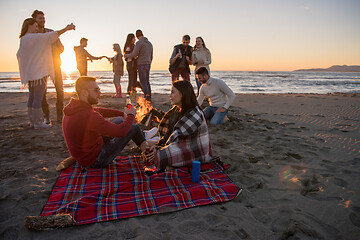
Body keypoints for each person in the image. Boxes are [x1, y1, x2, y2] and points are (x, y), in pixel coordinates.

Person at [62, 76, 157, 168]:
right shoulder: (89, 116)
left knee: (119, 120)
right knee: (134, 128)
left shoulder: (75, 109)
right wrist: (131, 115)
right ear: (84, 93)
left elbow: (98, 110)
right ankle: (148, 155)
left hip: (85, 154)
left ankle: (143, 138)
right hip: (97, 159)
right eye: (96, 90)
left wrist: (120, 113)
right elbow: (121, 132)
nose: (100, 93)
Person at [16, 18, 75, 129]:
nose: (37, 28)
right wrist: (67, 28)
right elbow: (51, 36)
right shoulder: (33, 37)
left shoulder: (23, 39)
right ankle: (38, 123)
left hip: (31, 74)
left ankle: (33, 122)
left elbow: (19, 54)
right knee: (37, 98)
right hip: (39, 73)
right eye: (35, 26)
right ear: (29, 25)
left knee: (32, 97)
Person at [144, 80, 212, 172]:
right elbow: (169, 133)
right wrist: (157, 146)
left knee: (160, 155)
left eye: (173, 92)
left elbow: (176, 136)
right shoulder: (176, 110)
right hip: (181, 144)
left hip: (195, 149)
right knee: (152, 149)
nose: (170, 95)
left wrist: (159, 150)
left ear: (182, 94)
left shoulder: (194, 113)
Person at [32, 10, 65, 124]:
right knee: (42, 93)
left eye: (43, 18)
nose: (43, 20)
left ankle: (60, 115)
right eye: (40, 18)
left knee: (60, 90)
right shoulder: (33, 35)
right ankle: (46, 116)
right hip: (41, 68)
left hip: (56, 65)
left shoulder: (51, 32)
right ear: (34, 20)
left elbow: (61, 47)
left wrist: (53, 51)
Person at [124, 30, 153, 101]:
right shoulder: (150, 44)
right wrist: (149, 62)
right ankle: (149, 95)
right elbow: (151, 56)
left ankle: (147, 97)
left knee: (143, 82)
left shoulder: (139, 43)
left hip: (141, 64)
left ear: (137, 36)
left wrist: (126, 55)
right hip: (148, 63)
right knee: (147, 81)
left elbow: (134, 54)